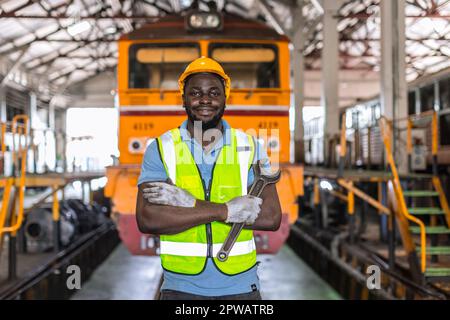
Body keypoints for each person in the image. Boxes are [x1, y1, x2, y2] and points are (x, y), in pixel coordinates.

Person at [135, 57, 282, 300]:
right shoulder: (161, 148)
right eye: (196, 93)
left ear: (226, 97)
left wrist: (187, 203)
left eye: (214, 92)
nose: (205, 99)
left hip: (242, 289)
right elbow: (148, 219)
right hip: (179, 289)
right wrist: (226, 211)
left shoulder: (250, 146)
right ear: (183, 98)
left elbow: (271, 217)